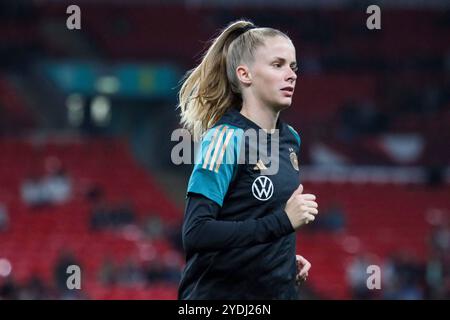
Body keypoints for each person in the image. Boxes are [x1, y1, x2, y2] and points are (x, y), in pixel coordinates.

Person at [177, 20, 319, 300]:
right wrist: (283, 223)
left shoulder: (290, 139)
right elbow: (196, 233)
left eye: (293, 67)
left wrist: (278, 259)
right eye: (278, 65)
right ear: (245, 74)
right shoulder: (225, 139)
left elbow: (255, 216)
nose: (290, 75)